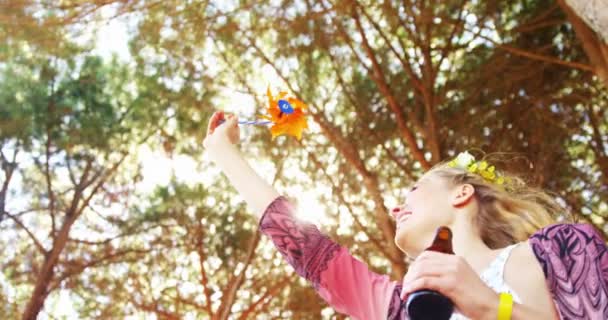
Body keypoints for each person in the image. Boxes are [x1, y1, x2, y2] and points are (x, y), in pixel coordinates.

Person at [203, 111, 608, 319]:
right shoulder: (400, 306)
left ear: (462, 193)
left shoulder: (562, 249)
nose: (395, 207)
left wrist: (490, 307)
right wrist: (223, 153)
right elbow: (306, 247)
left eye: (412, 189)